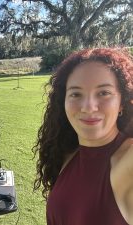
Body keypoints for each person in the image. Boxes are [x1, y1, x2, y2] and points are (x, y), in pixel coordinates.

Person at [33, 48, 133, 225]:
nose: (88, 107)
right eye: (76, 94)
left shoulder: (127, 161)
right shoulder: (67, 155)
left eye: (103, 93)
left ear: (122, 102)